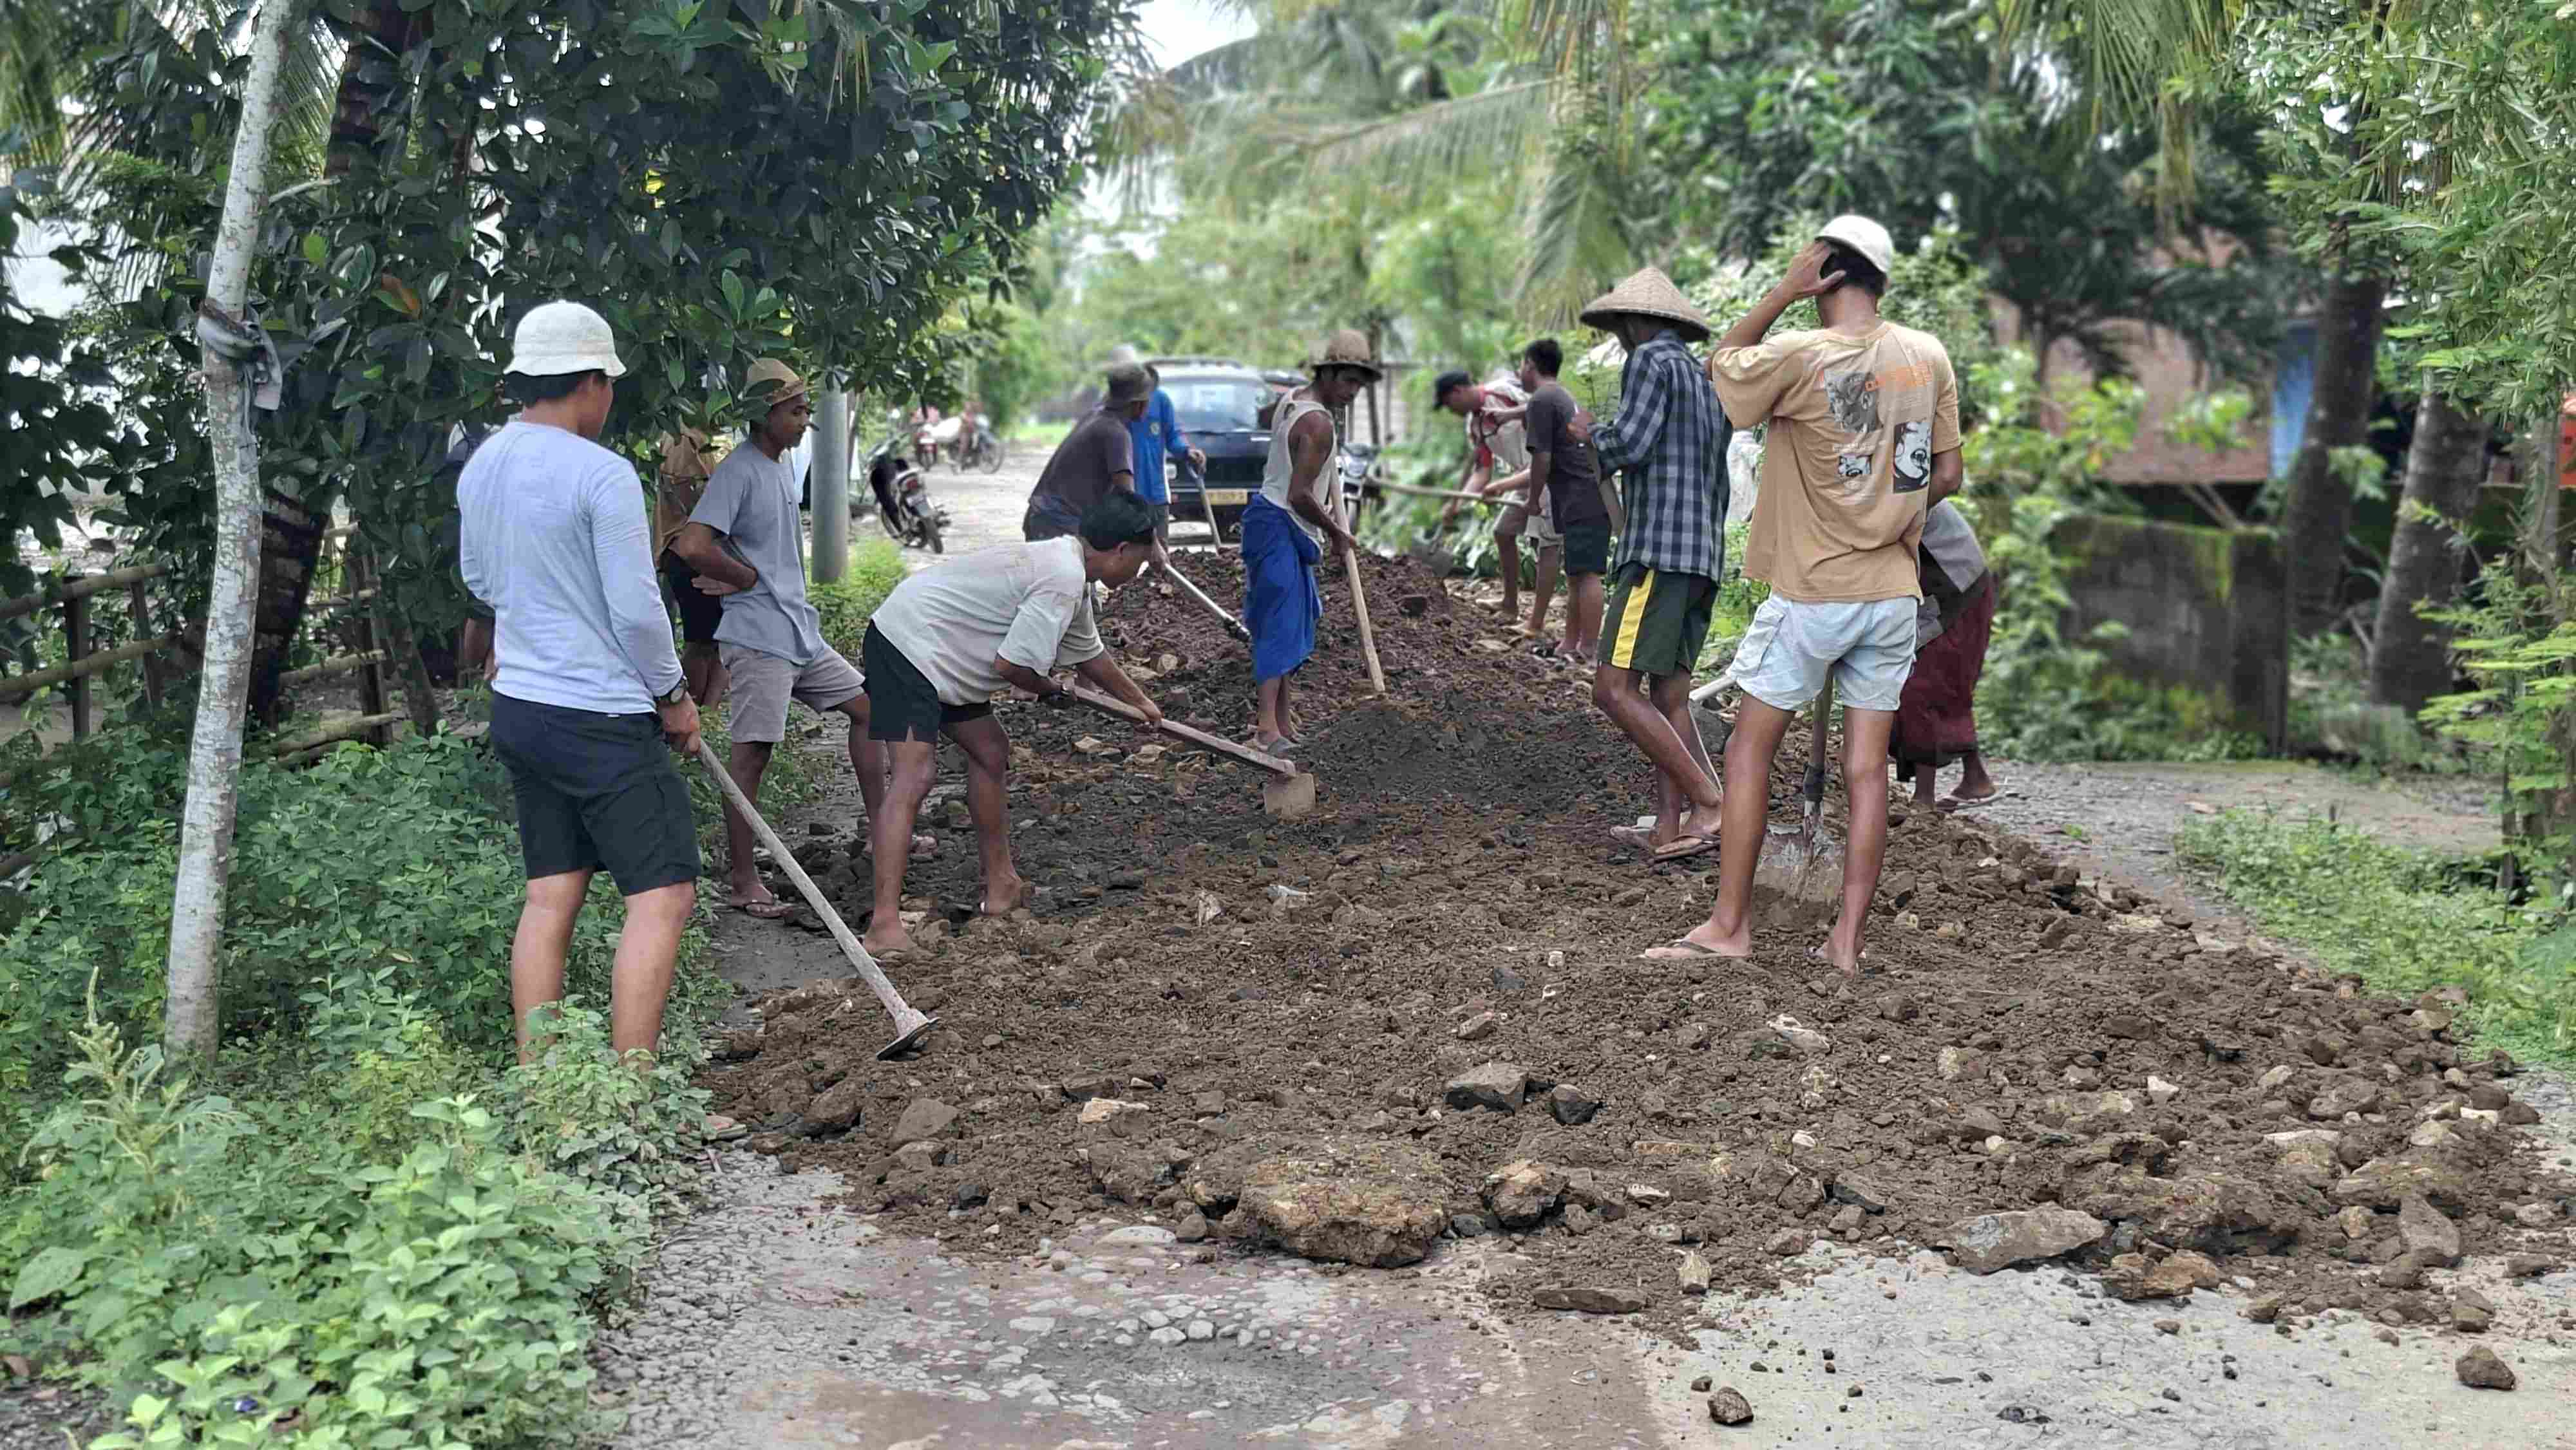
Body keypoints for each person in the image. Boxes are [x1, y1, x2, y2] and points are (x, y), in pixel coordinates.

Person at [1647, 216, 1962, 977]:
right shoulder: (1926, 357)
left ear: (1822, 269)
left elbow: (1722, 371)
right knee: (1864, 771)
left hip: (1813, 594)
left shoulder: (1797, 355)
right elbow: (1947, 475)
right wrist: (1888, 518)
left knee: (1749, 748)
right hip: (1891, 593)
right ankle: (1846, 943)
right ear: (1883, 279)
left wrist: (1781, 293)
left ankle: (1730, 924)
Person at [456, 300, 701, 1063]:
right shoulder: (601, 473)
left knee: (549, 894)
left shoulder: (484, 462)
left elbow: (478, 576)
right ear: (592, 381)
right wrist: (672, 696)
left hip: (522, 707)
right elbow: (636, 608)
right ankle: (629, 1092)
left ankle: (542, 1081)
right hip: (598, 717)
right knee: (661, 895)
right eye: (609, 385)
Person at [858, 493, 1165, 957]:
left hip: (942, 650)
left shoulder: (1070, 573)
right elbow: (1012, 666)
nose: (1139, 573)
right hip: (906, 644)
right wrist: (1052, 690)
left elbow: (1089, 654)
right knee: (915, 775)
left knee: (990, 752)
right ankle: (884, 926)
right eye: (1141, 562)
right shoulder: (1062, 577)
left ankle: (1001, 886)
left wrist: (1141, 703)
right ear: (1120, 550)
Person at [670, 359, 886, 920]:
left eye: (807, 409)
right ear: (762, 414)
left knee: (869, 712)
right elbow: (693, 544)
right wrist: (742, 579)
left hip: (798, 630)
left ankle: (886, 831)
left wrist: (746, 571)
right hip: (760, 637)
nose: (804, 421)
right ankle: (743, 881)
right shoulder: (739, 471)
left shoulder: (779, 468)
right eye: (794, 411)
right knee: (752, 758)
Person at [1566, 267, 1730, 862]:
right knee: (1670, 698)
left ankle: (1709, 800)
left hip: (1659, 550)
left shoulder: (1648, 363)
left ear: (1635, 324)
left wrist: (1590, 435)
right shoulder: (1706, 379)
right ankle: (1669, 827)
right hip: (1702, 556)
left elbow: (1630, 444)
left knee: (1611, 689)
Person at [1242, 329, 1374, 753]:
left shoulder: (1295, 401)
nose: (1353, 391)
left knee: (1292, 619)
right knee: (1279, 624)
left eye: (1360, 383)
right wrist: (1338, 532)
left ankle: (1283, 721)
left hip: (1278, 521)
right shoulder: (1317, 423)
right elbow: (1299, 493)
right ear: (1329, 372)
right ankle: (1266, 730)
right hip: (1282, 521)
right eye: (1348, 380)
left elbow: (1269, 423)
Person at [1894, 498, 2000, 809]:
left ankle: (1924, 799)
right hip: (1953, 586)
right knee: (1945, 685)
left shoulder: (1896, 485)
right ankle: (1975, 778)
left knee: (1922, 686)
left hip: (1958, 589)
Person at [1517, 337, 1616, 664]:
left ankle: (1588, 648)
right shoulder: (1559, 395)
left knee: (1587, 574)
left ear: (1530, 364)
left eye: (1521, 365)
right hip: (1579, 495)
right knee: (1575, 573)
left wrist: (1533, 499)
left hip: (1582, 494)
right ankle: (1570, 644)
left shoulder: (1542, 399)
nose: (1520, 371)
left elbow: (1542, 458)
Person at [1433, 366, 1544, 631]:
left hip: (1546, 471)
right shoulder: (1474, 426)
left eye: (1449, 404)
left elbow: (1544, 410)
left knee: (1545, 546)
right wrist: (1458, 503)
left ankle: (1536, 621)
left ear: (1458, 392)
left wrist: (1510, 415)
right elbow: (1483, 471)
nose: (1450, 411)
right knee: (1503, 533)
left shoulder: (1502, 392)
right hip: (1523, 477)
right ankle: (1509, 605)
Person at [1025, 363, 1151, 541]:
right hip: (1055, 526)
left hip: (1042, 518)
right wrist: (1153, 544)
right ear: (1139, 404)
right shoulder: (1116, 433)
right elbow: (1129, 500)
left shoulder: (1095, 416)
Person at [652, 428, 726, 707]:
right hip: (689, 550)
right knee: (701, 642)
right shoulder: (683, 436)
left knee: (717, 641)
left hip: (703, 549)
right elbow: (688, 493)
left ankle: (708, 714)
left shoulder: (702, 435)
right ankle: (689, 709)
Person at [1108, 346, 1205, 543]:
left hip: (1156, 493)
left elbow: (1174, 436)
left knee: (1160, 554)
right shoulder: (1111, 407)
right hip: (1124, 496)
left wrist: (1188, 451)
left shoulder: (1160, 399)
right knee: (1122, 556)